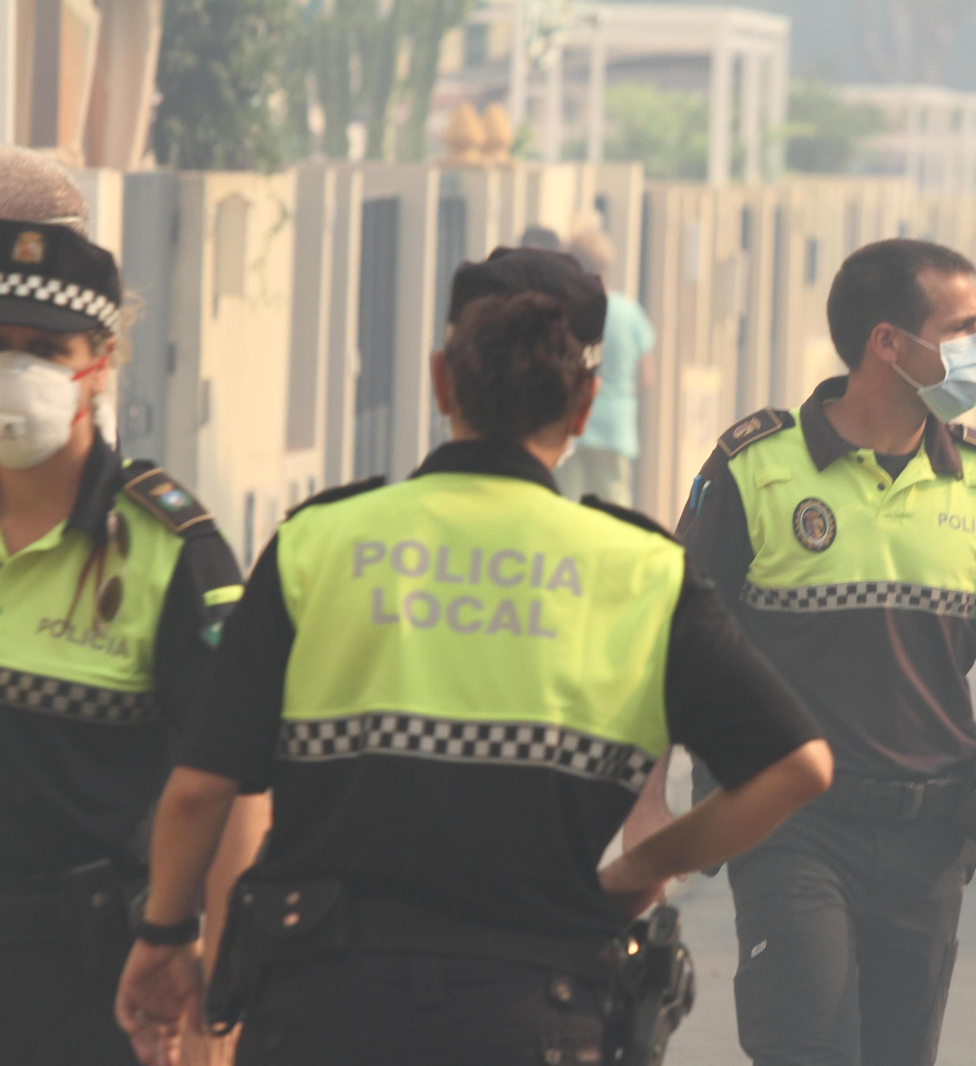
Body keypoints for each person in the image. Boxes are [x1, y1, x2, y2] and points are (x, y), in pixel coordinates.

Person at [113, 247, 833, 1066]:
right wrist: (639, 867)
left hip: (320, 1008)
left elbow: (204, 785)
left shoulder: (322, 539)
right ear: (587, 400)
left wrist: (165, 936)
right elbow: (797, 766)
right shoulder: (638, 569)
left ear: (439, 381)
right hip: (535, 1011)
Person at [627, 239, 976, 1066]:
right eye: (964, 327)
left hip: (930, 833)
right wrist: (648, 798)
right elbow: (671, 635)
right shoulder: (756, 467)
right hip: (785, 825)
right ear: (889, 343)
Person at [0, 148, 260, 1066]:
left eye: (40, 352)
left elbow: (233, 790)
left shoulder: (170, 550)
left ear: (99, 362)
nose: (13, 372)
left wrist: (217, 1008)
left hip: (93, 978)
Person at [559, 228, 655, 506]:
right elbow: (647, 377)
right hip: (616, 426)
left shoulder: (565, 310)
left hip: (571, 421)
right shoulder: (630, 313)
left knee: (569, 507)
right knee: (613, 508)